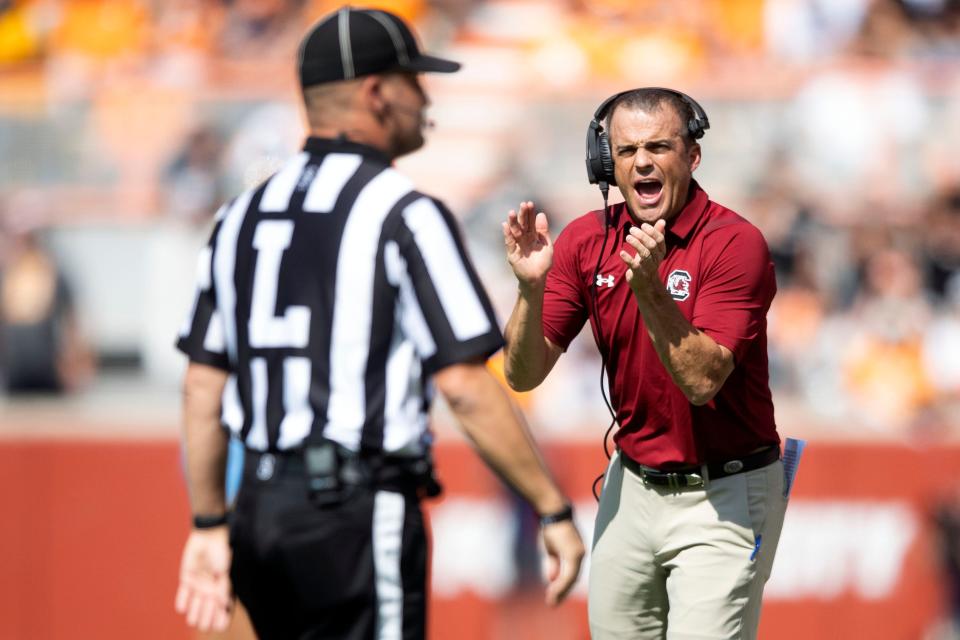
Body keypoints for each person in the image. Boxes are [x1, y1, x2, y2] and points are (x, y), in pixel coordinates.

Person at [172, 7, 584, 639]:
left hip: (258, 506)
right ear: (375, 93)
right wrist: (549, 508)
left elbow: (202, 386)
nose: (425, 98)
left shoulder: (239, 217)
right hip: (357, 510)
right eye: (413, 81)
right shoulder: (404, 212)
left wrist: (208, 525)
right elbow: (464, 386)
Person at [502, 88, 788, 639]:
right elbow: (522, 374)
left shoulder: (735, 243)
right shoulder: (587, 238)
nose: (643, 162)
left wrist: (650, 289)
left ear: (692, 156)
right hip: (630, 486)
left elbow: (703, 381)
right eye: (627, 150)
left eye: (659, 146)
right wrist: (529, 290)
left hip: (722, 493)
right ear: (606, 162)